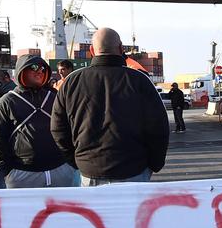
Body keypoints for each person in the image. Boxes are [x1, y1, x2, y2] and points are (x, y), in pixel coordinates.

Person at [50, 27, 169, 185]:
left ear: (92, 50)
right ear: (120, 49)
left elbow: (58, 129)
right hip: (134, 170)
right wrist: (154, 164)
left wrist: (77, 161)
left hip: (88, 172)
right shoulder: (140, 80)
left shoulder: (71, 82)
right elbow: (159, 127)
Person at [0, 54, 77, 189]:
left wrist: (70, 164)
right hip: (22, 175)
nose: (39, 71)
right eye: (34, 67)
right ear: (21, 70)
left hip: (61, 171)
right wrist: (7, 171)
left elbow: (71, 129)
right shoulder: (7, 101)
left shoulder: (55, 97)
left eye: (42, 68)